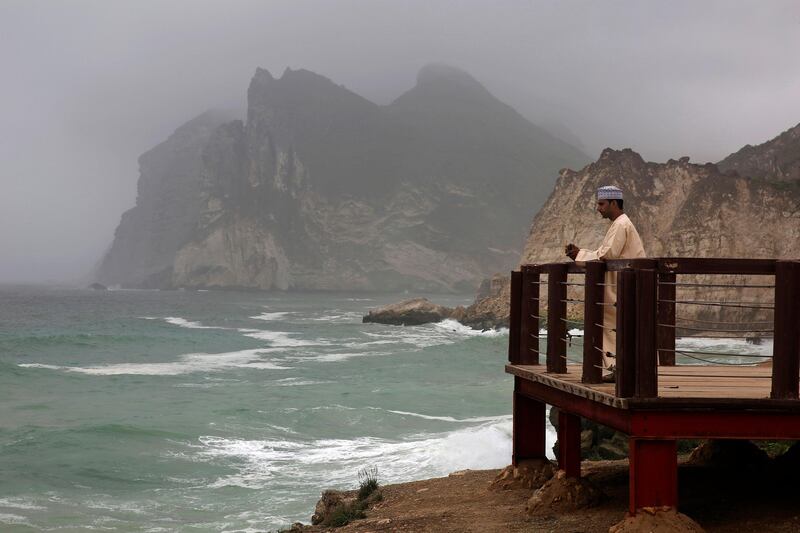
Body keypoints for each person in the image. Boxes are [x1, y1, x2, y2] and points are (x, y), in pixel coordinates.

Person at [564, 185, 646, 382]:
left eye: (601, 204)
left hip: (622, 284)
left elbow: (607, 255)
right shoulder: (620, 224)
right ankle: (620, 368)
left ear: (614, 203)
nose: (598, 208)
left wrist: (579, 255)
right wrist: (581, 253)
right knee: (619, 326)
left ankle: (618, 369)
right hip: (624, 283)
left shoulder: (620, 225)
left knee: (611, 324)